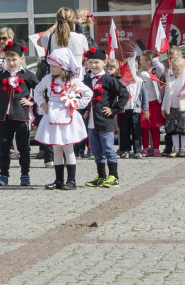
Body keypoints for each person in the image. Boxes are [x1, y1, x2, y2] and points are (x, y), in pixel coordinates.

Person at [34, 48, 92, 190]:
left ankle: (71, 180)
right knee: (56, 149)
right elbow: (37, 91)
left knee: (68, 148)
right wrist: (42, 103)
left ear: (63, 66)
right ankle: (58, 180)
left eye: (54, 65)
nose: (51, 68)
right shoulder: (48, 79)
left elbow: (88, 93)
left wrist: (76, 104)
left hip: (68, 116)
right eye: (51, 65)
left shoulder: (73, 81)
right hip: (52, 116)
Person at [0, 39, 36, 186]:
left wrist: (32, 102)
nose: (11, 62)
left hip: (21, 116)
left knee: (24, 147)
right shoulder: (2, 75)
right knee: (3, 147)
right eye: (8, 59)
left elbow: (42, 89)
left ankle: (25, 174)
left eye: (14, 59)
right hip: (5, 117)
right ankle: (4, 174)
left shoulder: (28, 75)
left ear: (21, 59)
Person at [82, 49, 128, 188]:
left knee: (108, 148)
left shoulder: (109, 79)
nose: (94, 65)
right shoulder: (86, 80)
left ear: (104, 62)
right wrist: (84, 111)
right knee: (96, 151)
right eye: (91, 62)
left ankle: (114, 176)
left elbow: (124, 93)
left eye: (97, 62)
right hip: (91, 122)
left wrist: (114, 109)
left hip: (105, 120)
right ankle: (101, 176)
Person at [161, 47, 185, 158]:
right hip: (172, 107)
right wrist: (163, 107)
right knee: (174, 128)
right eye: (174, 69)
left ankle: (183, 148)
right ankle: (175, 148)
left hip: (183, 107)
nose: (176, 71)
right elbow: (167, 93)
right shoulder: (170, 79)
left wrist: (183, 64)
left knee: (183, 128)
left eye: (178, 69)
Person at [138, 49, 164, 157]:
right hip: (144, 104)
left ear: (149, 62)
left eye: (143, 60)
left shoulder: (155, 71)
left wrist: (154, 59)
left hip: (154, 103)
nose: (140, 62)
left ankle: (156, 148)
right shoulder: (139, 73)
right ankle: (145, 147)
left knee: (155, 127)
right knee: (144, 127)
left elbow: (161, 68)